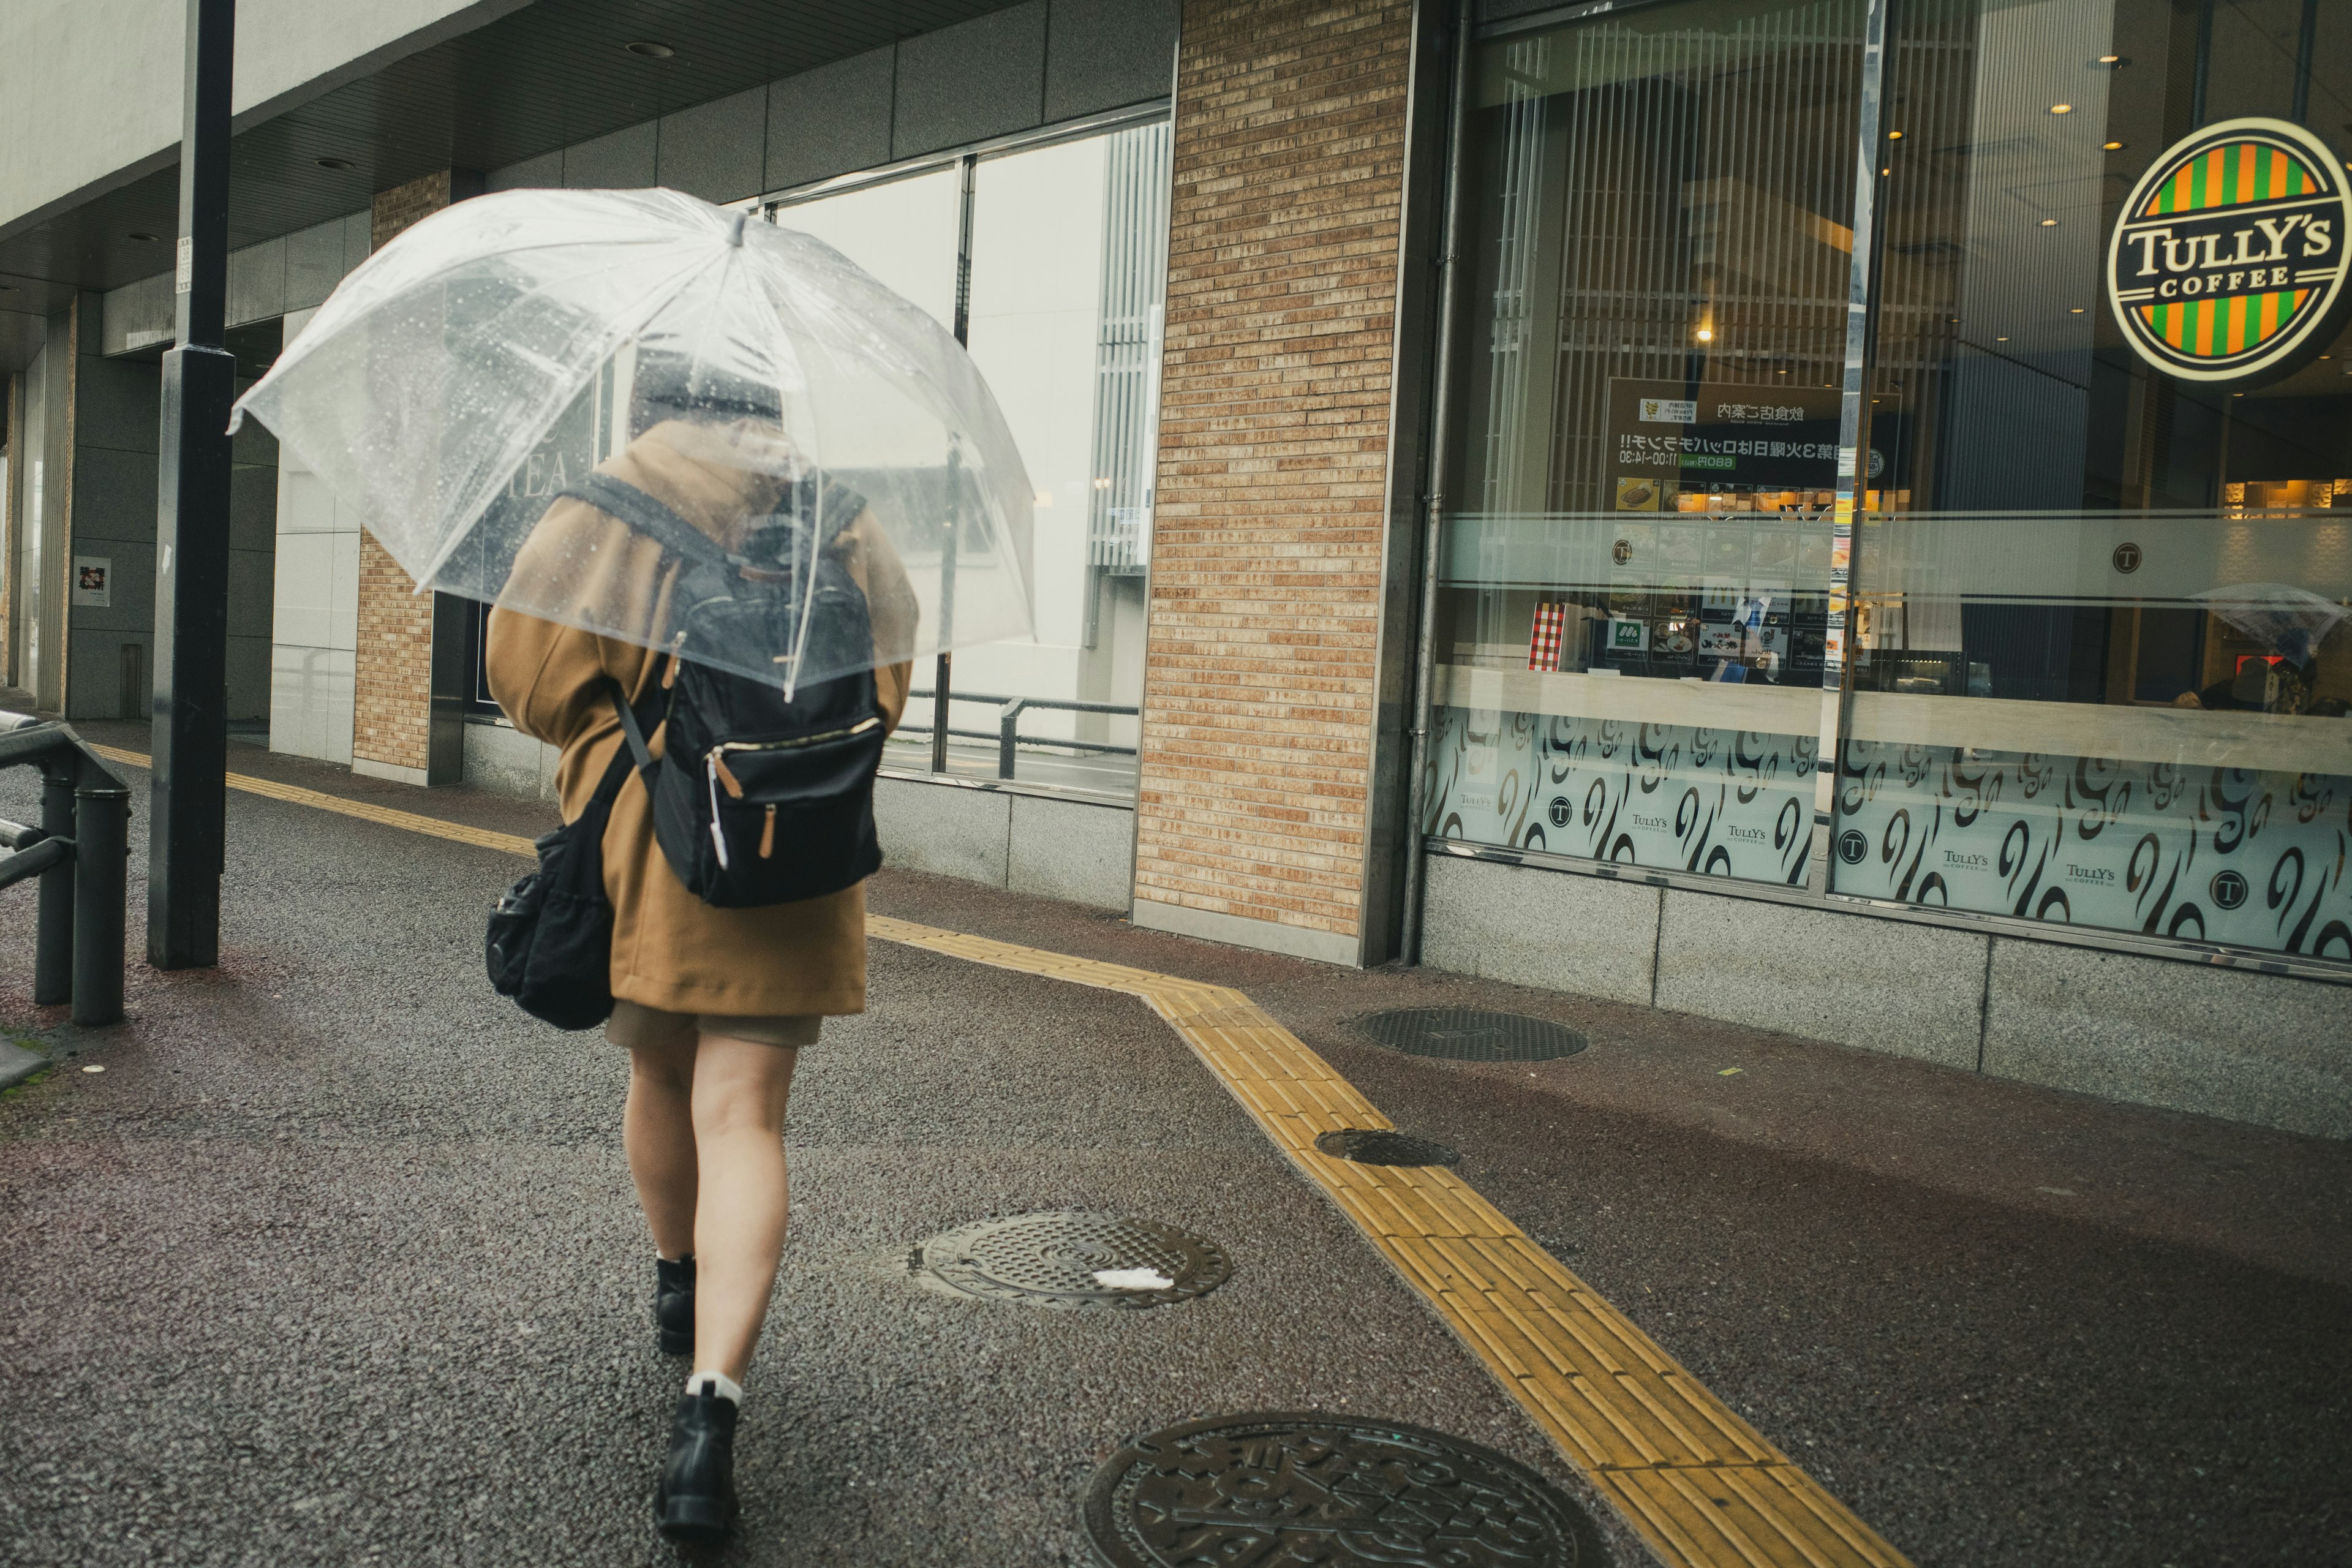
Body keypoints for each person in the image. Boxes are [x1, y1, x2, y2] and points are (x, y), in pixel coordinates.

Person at [486, 368, 915, 1545]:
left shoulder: (612, 501)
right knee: (750, 1120)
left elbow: (525, 678)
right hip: (799, 849)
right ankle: (711, 1415)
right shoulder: (842, 510)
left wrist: (620, 712)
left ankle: (677, 1274)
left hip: (655, 845)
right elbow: (889, 680)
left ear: (654, 399)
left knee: (661, 1076)